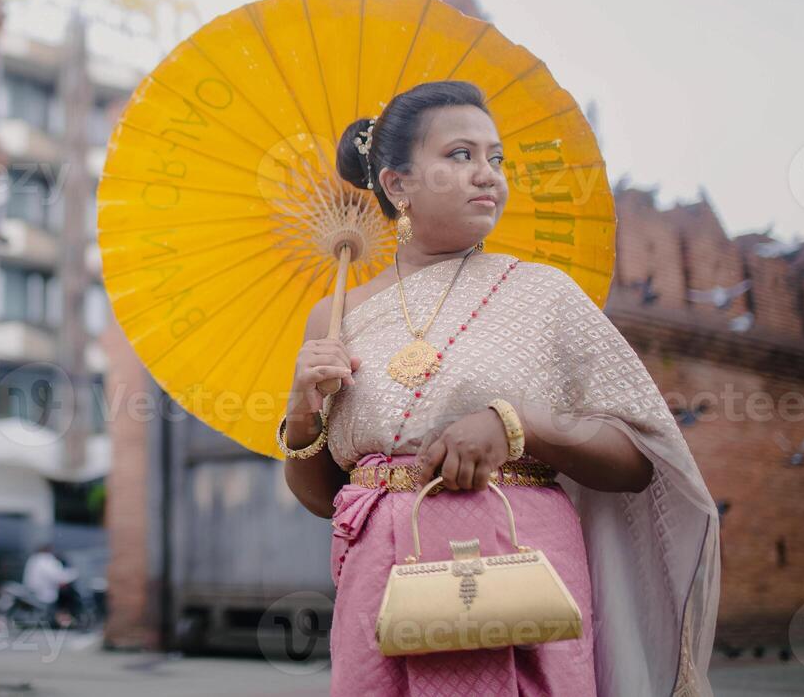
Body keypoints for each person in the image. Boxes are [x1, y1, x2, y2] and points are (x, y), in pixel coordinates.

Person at [281, 80, 720, 696]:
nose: (487, 174)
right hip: (380, 575)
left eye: (495, 159)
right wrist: (303, 408)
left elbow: (638, 462)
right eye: (460, 156)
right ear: (397, 184)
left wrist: (518, 424)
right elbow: (327, 498)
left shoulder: (542, 293)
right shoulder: (337, 314)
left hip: (519, 567)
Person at [22, 543, 79, 628]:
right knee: (66, 600)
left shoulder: (34, 559)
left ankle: (62, 620)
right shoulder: (45, 560)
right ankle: (64, 621)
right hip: (43, 593)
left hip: (34, 590)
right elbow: (57, 576)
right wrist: (74, 574)